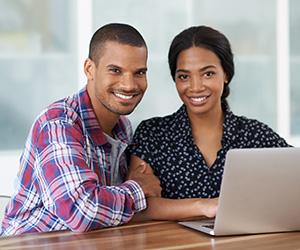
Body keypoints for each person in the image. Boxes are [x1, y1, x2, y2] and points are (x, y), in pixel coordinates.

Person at [0, 23, 161, 235]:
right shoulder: (58, 124)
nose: (129, 84)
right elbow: (81, 211)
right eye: (115, 70)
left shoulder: (122, 127)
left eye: (139, 72)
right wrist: (139, 188)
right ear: (89, 69)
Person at [128, 25, 290, 221]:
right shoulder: (152, 134)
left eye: (208, 74)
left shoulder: (255, 135)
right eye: (184, 76)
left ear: (226, 75)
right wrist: (204, 206)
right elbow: (137, 208)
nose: (196, 87)